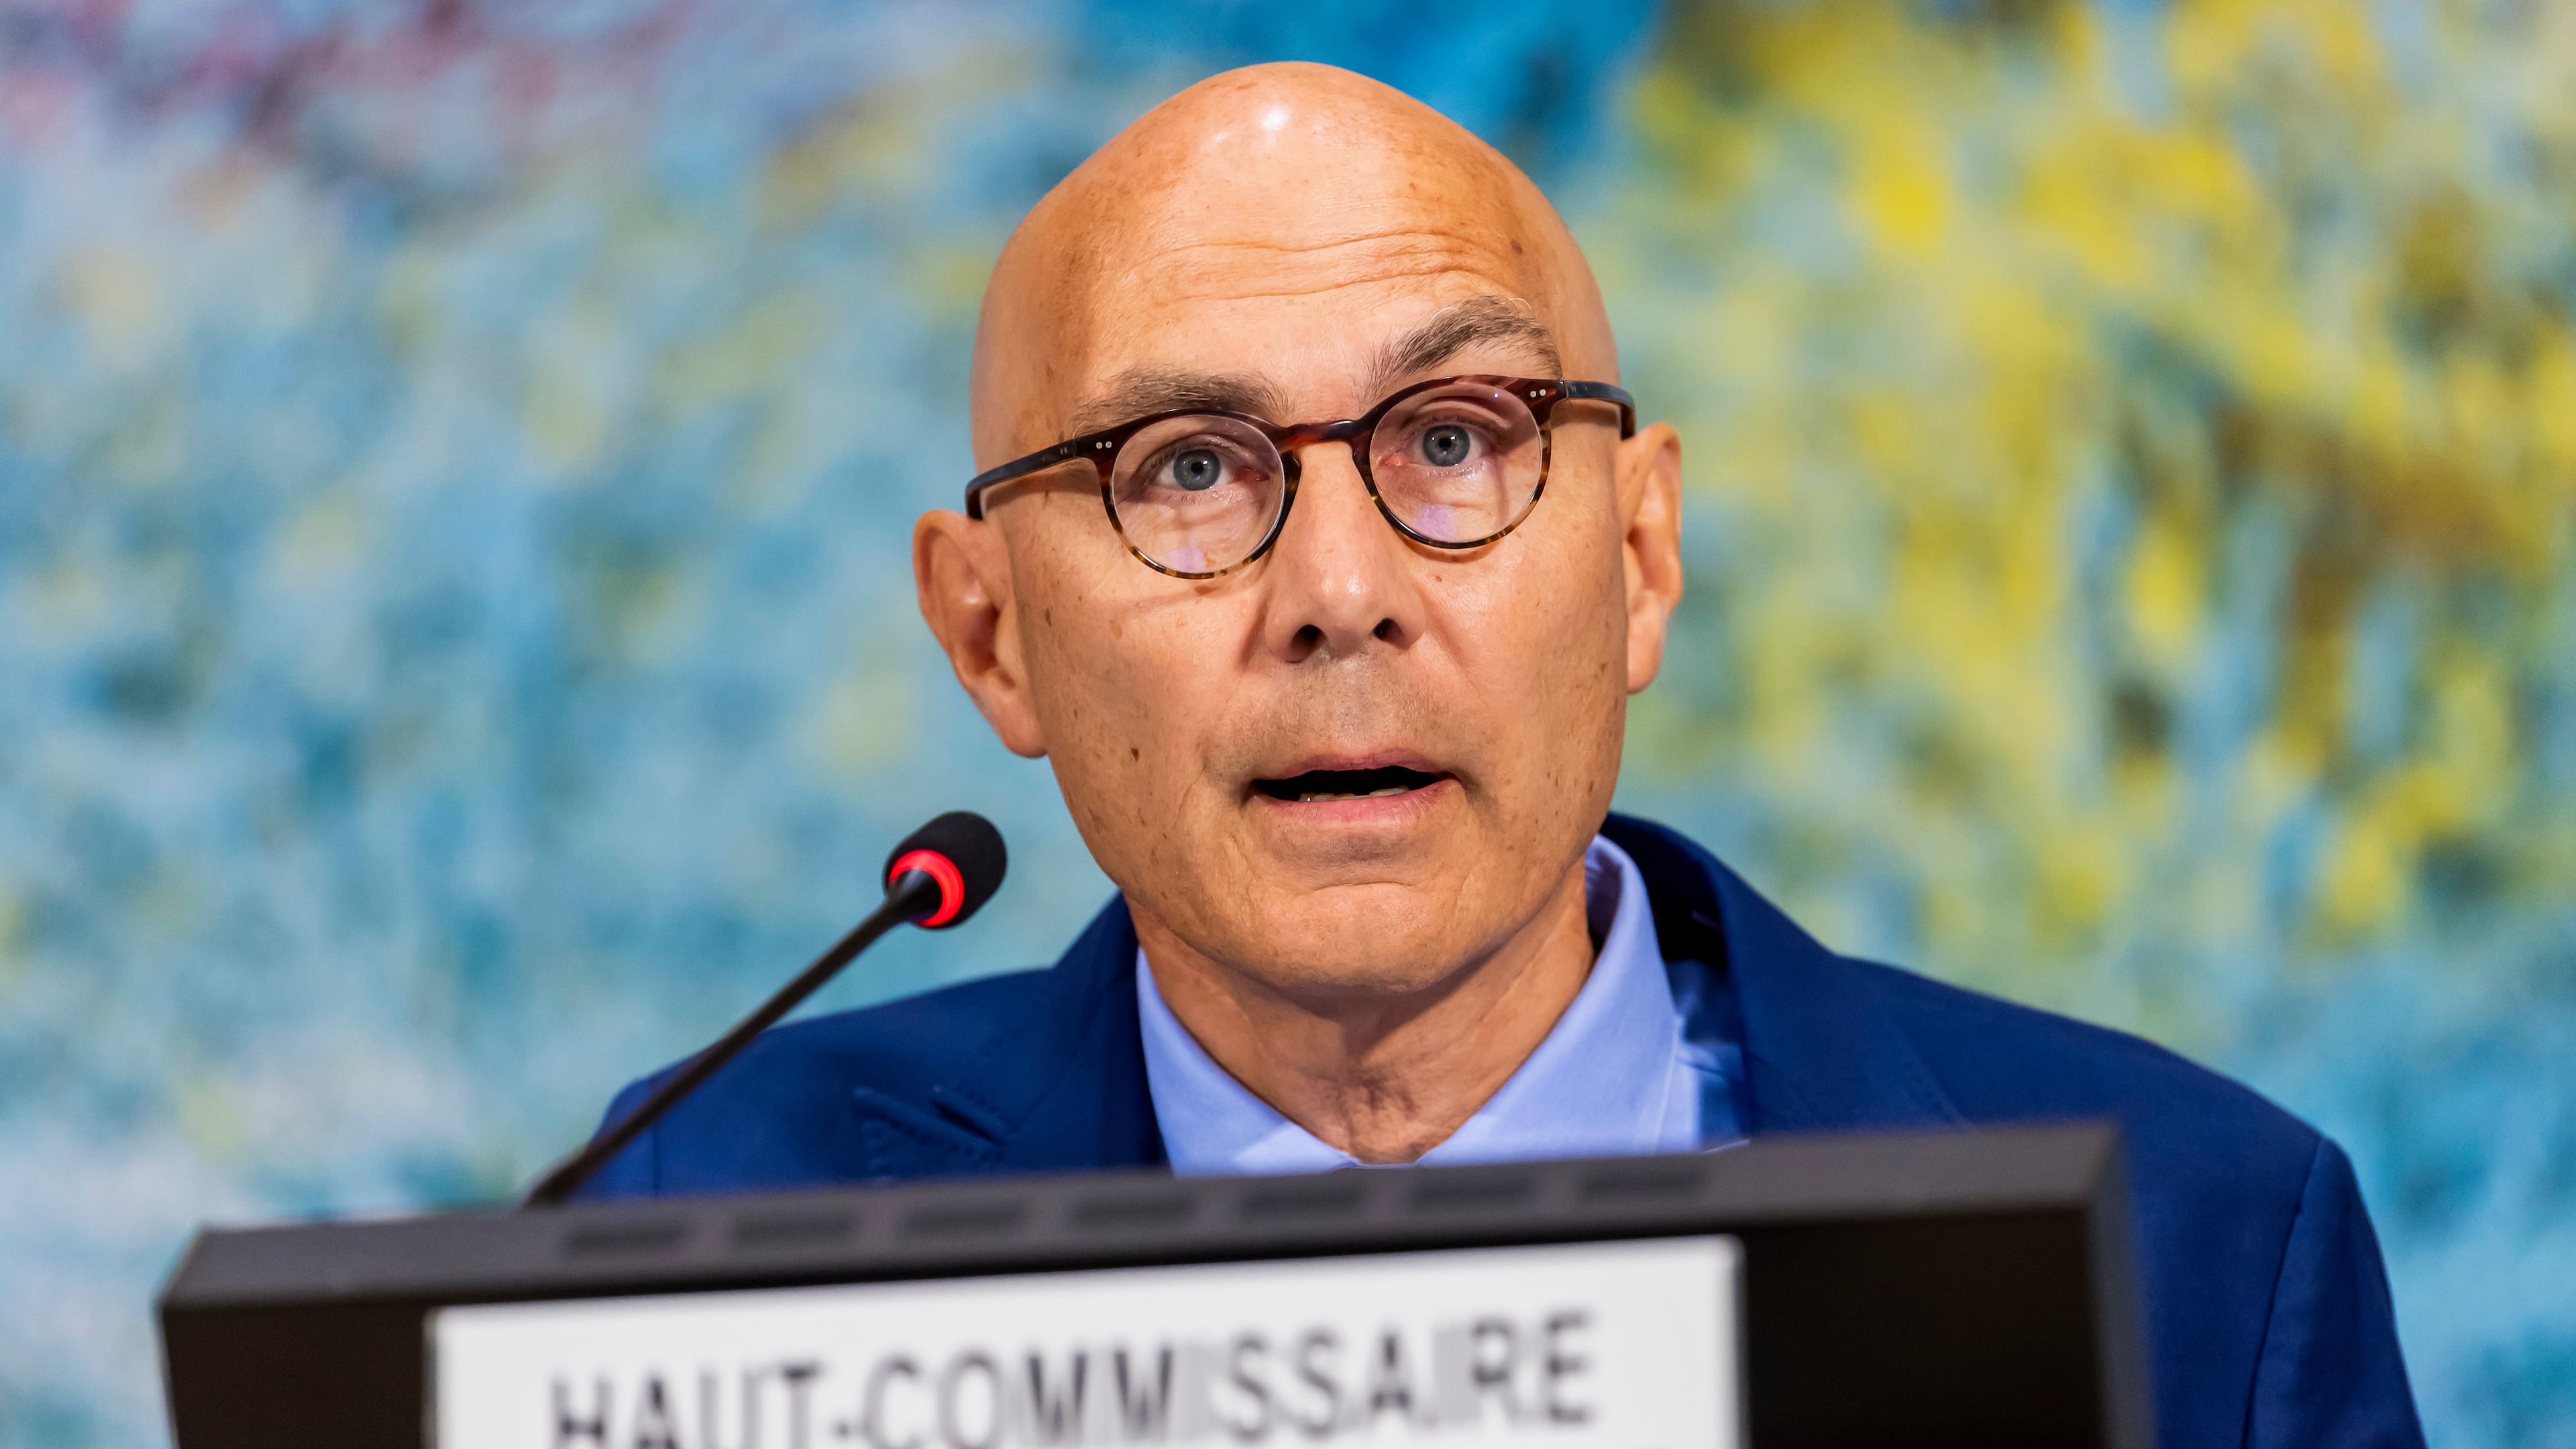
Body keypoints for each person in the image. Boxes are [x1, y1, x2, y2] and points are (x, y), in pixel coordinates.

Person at [576, 63, 2422, 1446]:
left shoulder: (2201, 1248)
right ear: (992, 634)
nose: (1341, 593)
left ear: (1638, 556)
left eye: (1457, 440)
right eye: (1190, 472)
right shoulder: (708, 1221)